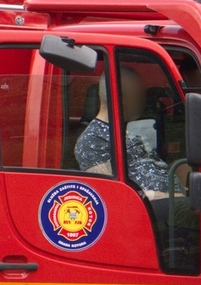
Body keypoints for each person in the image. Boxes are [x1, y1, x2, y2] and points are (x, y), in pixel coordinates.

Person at [74, 65, 172, 195]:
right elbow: (113, 193)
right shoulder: (92, 141)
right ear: (121, 99)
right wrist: (166, 196)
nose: (144, 102)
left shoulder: (123, 130)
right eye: (140, 96)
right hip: (153, 204)